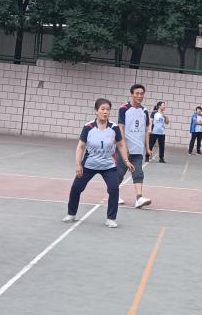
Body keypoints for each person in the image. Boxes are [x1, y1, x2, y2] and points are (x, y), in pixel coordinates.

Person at [64, 98, 135, 228]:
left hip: (108, 165)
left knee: (114, 188)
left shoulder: (114, 128)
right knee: (76, 188)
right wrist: (78, 164)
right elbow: (81, 146)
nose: (105, 112)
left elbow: (121, 145)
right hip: (89, 165)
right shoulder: (88, 127)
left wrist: (126, 161)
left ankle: (111, 218)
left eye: (108, 109)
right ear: (96, 111)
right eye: (102, 109)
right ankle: (71, 213)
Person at [117, 84, 153, 209]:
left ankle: (139, 198)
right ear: (131, 94)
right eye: (137, 93)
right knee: (119, 174)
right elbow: (120, 128)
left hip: (138, 149)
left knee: (138, 173)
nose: (139, 96)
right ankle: (114, 195)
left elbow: (146, 131)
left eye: (141, 94)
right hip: (124, 149)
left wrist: (148, 148)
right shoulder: (124, 109)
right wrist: (124, 147)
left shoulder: (145, 111)